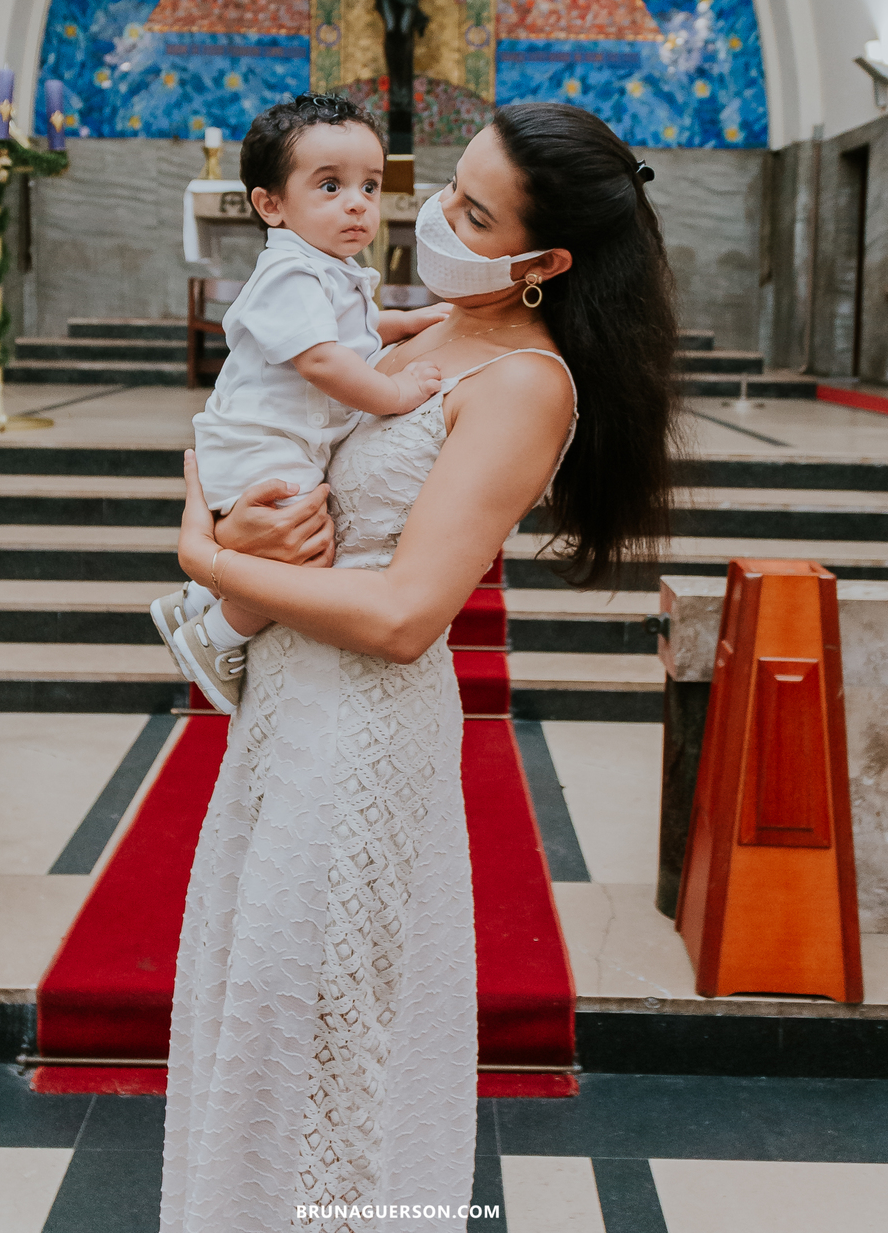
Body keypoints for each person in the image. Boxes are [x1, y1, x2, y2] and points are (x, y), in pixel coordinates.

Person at [160, 103, 678, 1230]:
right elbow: (296, 455)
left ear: (545, 263)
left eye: (475, 214)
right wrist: (241, 545)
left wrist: (200, 551)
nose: (437, 216)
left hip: (363, 725)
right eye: (449, 186)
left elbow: (404, 614)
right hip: (289, 702)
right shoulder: (426, 324)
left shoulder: (529, 385)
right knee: (258, 1015)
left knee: (330, 1040)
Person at [150, 94, 448, 709]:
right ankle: (215, 634)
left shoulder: (329, 266)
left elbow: (359, 330)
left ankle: (197, 600)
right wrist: (393, 393)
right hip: (259, 446)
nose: (358, 203)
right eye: (331, 186)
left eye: (370, 184)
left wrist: (411, 322)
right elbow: (320, 357)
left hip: (281, 442)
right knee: (304, 555)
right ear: (271, 205)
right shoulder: (290, 272)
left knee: (292, 545)